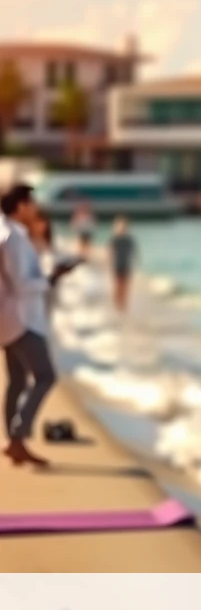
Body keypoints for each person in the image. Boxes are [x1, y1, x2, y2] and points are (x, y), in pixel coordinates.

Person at [1, 184, 71, 467]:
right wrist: (50, 278)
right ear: (20, 206)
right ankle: (18, 437)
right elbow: (21, 284)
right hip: (20, 319)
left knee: (17, 380)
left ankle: (14, 443)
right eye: (31, 204)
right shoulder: (13, 238)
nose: (34, 209)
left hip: (7, 319)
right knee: (45, 376)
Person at [108, 215, 137, 314]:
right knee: (117, 285)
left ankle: (123, 306)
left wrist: (135, 264)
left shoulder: (129, 239)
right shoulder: (115, 239)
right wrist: (108, 262)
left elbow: (134, 253)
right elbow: (110, 251)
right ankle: (118, 305)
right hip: (117, 265)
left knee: (125, 287)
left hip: (126, 265)